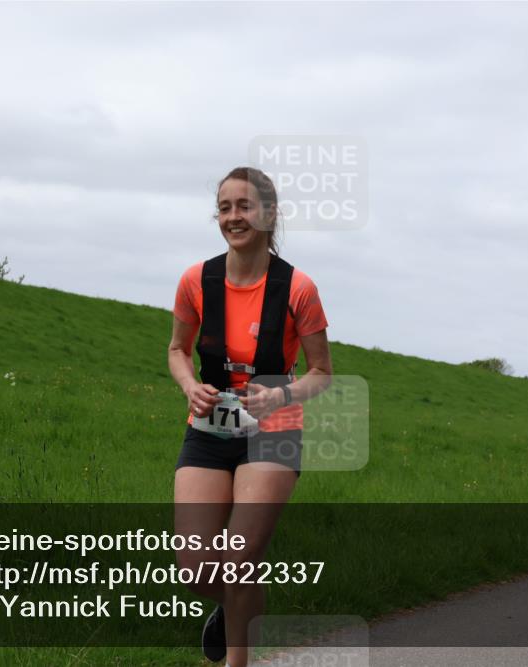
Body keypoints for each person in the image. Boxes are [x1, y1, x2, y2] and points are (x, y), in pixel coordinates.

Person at [168, 167, 332, 666]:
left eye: (244, 206)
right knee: (196, 570)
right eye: (225, 207)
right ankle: (236, 611)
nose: (234, 217)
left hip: (273, 431)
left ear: (269, 213)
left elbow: (321, 372)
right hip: (209, 429)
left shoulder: (298, 288)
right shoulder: (197, 280)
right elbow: (177, 350)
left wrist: (282, 396)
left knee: (238, 562)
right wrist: (190, 385)